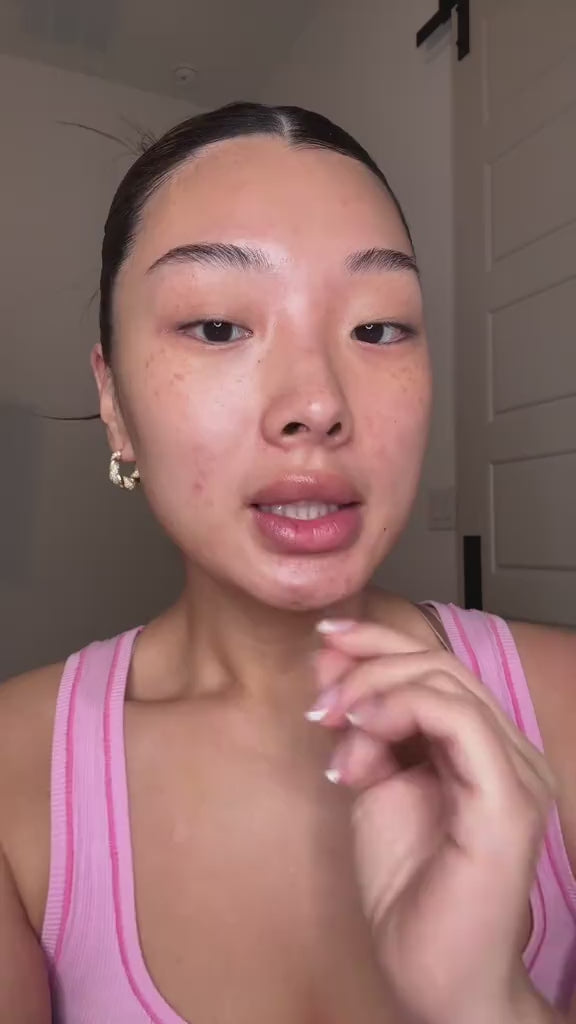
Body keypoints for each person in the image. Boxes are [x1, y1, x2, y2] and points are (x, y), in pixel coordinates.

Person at [0, 102, 574, 1024]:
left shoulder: (566, 708)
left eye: (378, 329)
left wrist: (488, 1004)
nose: (316, 403)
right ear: (113, 401)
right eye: (218, 327)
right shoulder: (12, 777)